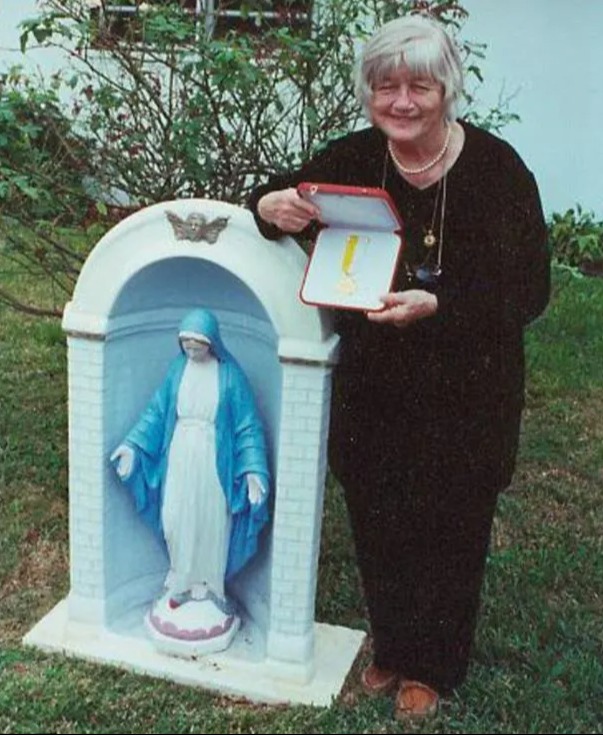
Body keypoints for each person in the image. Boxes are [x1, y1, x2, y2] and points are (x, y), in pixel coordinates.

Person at [247, 14, 550, 719]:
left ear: (447, 89)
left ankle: (432, 662)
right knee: (377, 505)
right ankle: (390, 641)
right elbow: (274, 200)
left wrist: (436, 304)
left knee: (449, 516)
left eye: (419, 85)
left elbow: (529, 289)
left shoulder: (496, 170)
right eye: (386, 87)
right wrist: (268, 203)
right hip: (375, 380)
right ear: (368, 93)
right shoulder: (354, 157)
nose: (402, 102)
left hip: (467, 382)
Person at [111, 308, 270, 654]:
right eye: (186, 345)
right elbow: (156, 413)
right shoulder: (177, 370)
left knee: (211, 520)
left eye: (197, 345)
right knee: (176, 518)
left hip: (215, 459)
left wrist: (254, 470)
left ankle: (210, 586)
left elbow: (246, 427)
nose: (191, 351)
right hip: (180, 454)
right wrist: (132, 446)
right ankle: (180, 577)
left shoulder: (229, 376)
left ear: (211, 343)